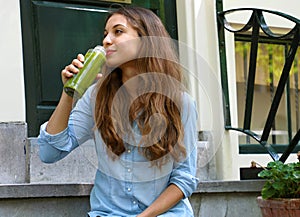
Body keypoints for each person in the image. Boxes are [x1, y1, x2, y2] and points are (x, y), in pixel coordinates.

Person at [38, 6, 198, 217]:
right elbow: (49, 153)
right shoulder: (97, 96)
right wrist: (69, 92)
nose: (106, 41)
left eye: (118, 31)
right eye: (105, 34)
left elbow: (184, 179)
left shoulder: (180, 103)